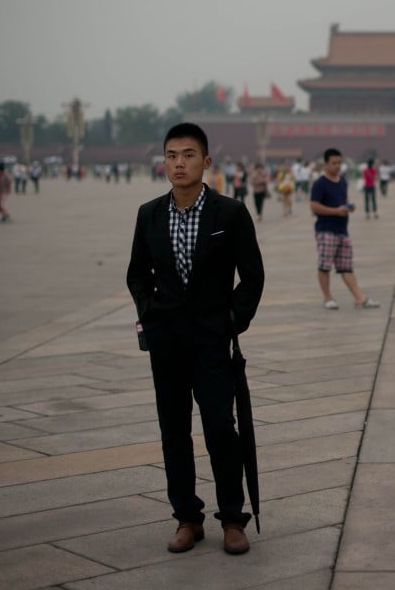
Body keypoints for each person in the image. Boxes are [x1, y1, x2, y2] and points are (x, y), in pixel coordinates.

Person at [126, 122, 264, 555]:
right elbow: (136, 274)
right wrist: (149, 313)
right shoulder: (149, 213)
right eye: (171, 155)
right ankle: (187, 516)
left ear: (206, 161)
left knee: (222, 427)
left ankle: (232, 519)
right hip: (167, 341)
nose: (178, 163)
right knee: (173, 430)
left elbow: (253, 276)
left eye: (187, 155)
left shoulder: (230, 213)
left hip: (211, 340)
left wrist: (230, 322)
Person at [310, 148, 381, 310]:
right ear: (326, 164)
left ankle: (359, 298)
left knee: (346, 266)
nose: (337, 166)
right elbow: (314, 206)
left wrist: (348, 207)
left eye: (339, 163)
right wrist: (335, 211)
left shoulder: (342, 181)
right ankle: (328, 297)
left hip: (342, 230)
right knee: (324, 265)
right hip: (326, 230)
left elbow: (343, 200)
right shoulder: (320, 184)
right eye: (334, 163)